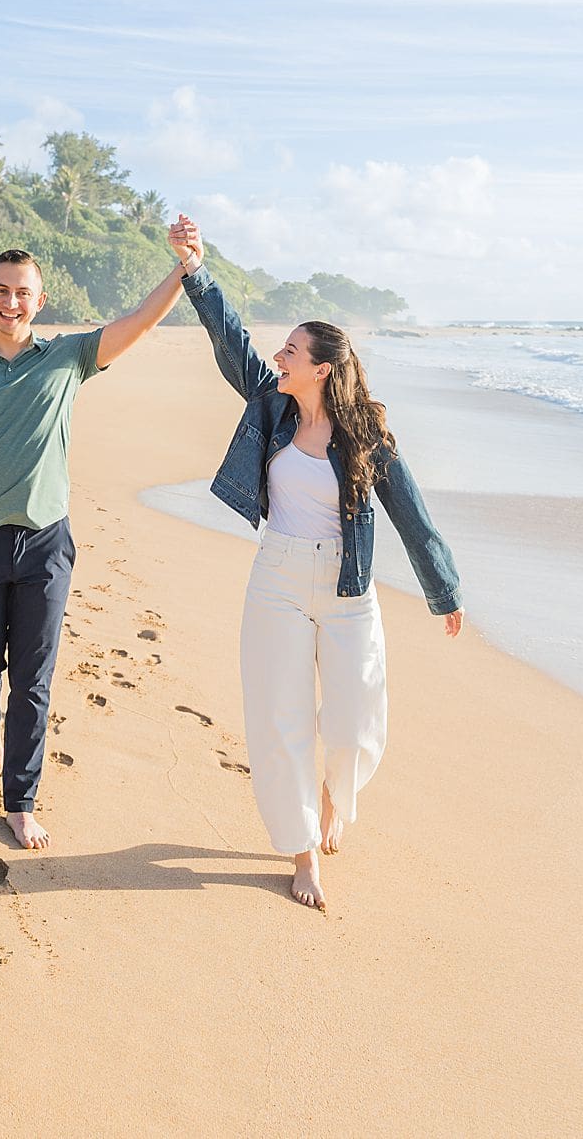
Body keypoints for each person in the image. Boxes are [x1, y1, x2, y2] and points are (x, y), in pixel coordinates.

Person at [167, 215, 465, 911]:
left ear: (322, 368)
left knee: (357, 721)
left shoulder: (365, 432)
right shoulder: (271, 406)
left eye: (292, 350)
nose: (279, 356)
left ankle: (333, 791)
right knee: (281, 718)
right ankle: (302, 852)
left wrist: (443, 588)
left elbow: (411, 512)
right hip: (277, 577)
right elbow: (231, 341)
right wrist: (194, 269)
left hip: (347, 587)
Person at [0, 246, 190, 851]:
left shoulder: (68, 357)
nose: (11, 302)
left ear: (40, 301)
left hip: (46, 544)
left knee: (34, 679)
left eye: (23, 293)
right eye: (1, 290)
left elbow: (139, 322)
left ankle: (21, 802)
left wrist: (183, 269)